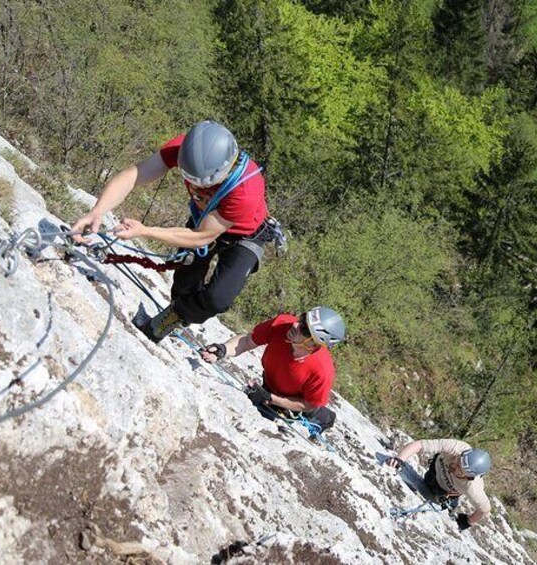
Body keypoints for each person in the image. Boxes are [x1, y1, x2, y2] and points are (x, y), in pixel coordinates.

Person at [71, 120, 275, 342]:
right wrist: (98, 210)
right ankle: (177, 310)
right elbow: (134, 175)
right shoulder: (185, 151)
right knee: (184, 284)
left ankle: (177, 317)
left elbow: (201, 237)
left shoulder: (246, 189)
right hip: (204, 219)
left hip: (246, 235)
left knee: (218, 298)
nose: (199, 186)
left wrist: (145, 231)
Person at [200, 306, 346, 436]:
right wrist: (222, 349)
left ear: (314, 343)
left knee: (316, 414)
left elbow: (309, 404)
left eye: (304, 329)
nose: (295, 324)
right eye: (302, 318)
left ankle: (326, 419)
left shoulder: (322, 370)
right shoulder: (282, 324)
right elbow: (247, 341)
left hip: (296, 403)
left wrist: (270, 398)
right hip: (271, 385)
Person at [385, 439, 492, 530]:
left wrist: (467, 521)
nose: (454, 463)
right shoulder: (457, 447)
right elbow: (420, 444)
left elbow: (484, 510)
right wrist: (399, 458)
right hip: (433, 473)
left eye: (459, 468)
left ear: (468, 477)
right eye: (458, 459)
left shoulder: (473, 488)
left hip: (443, 494)